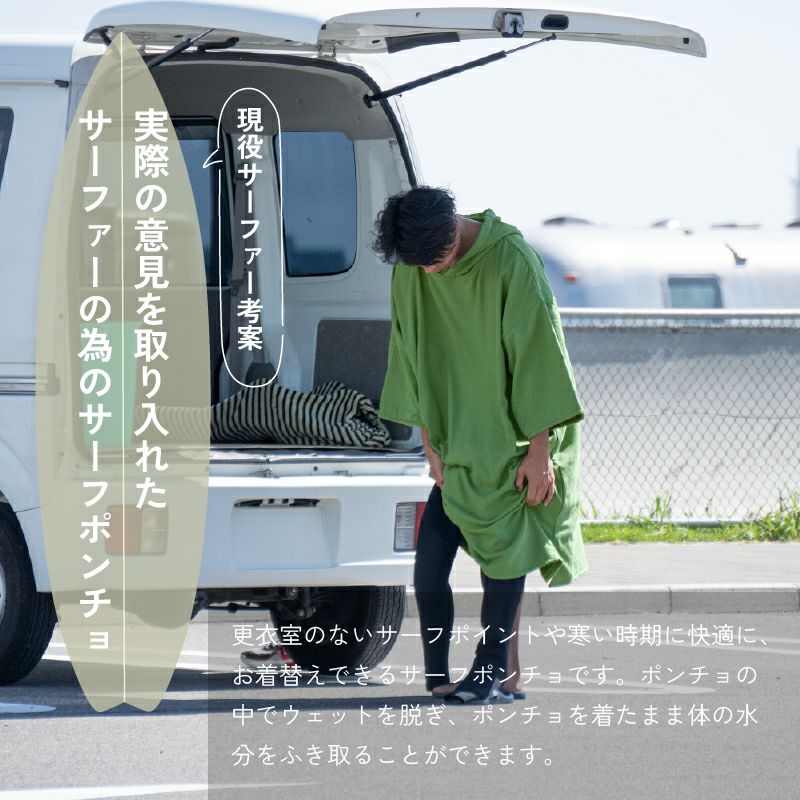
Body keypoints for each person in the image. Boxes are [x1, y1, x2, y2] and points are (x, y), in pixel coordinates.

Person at [373, 186, 588, 705]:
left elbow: (538, 354)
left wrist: (540, 452)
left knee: (505, 557)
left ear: (454, 228)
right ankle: (460, 676)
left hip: (514, 439)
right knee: (432, 567)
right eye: (419, 264)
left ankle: (491, 671)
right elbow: (411, 354)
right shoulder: (415, 265)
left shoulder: (511, 258)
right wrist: (429, 443)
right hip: (455, 440)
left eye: (437, 259)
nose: (430, 271)